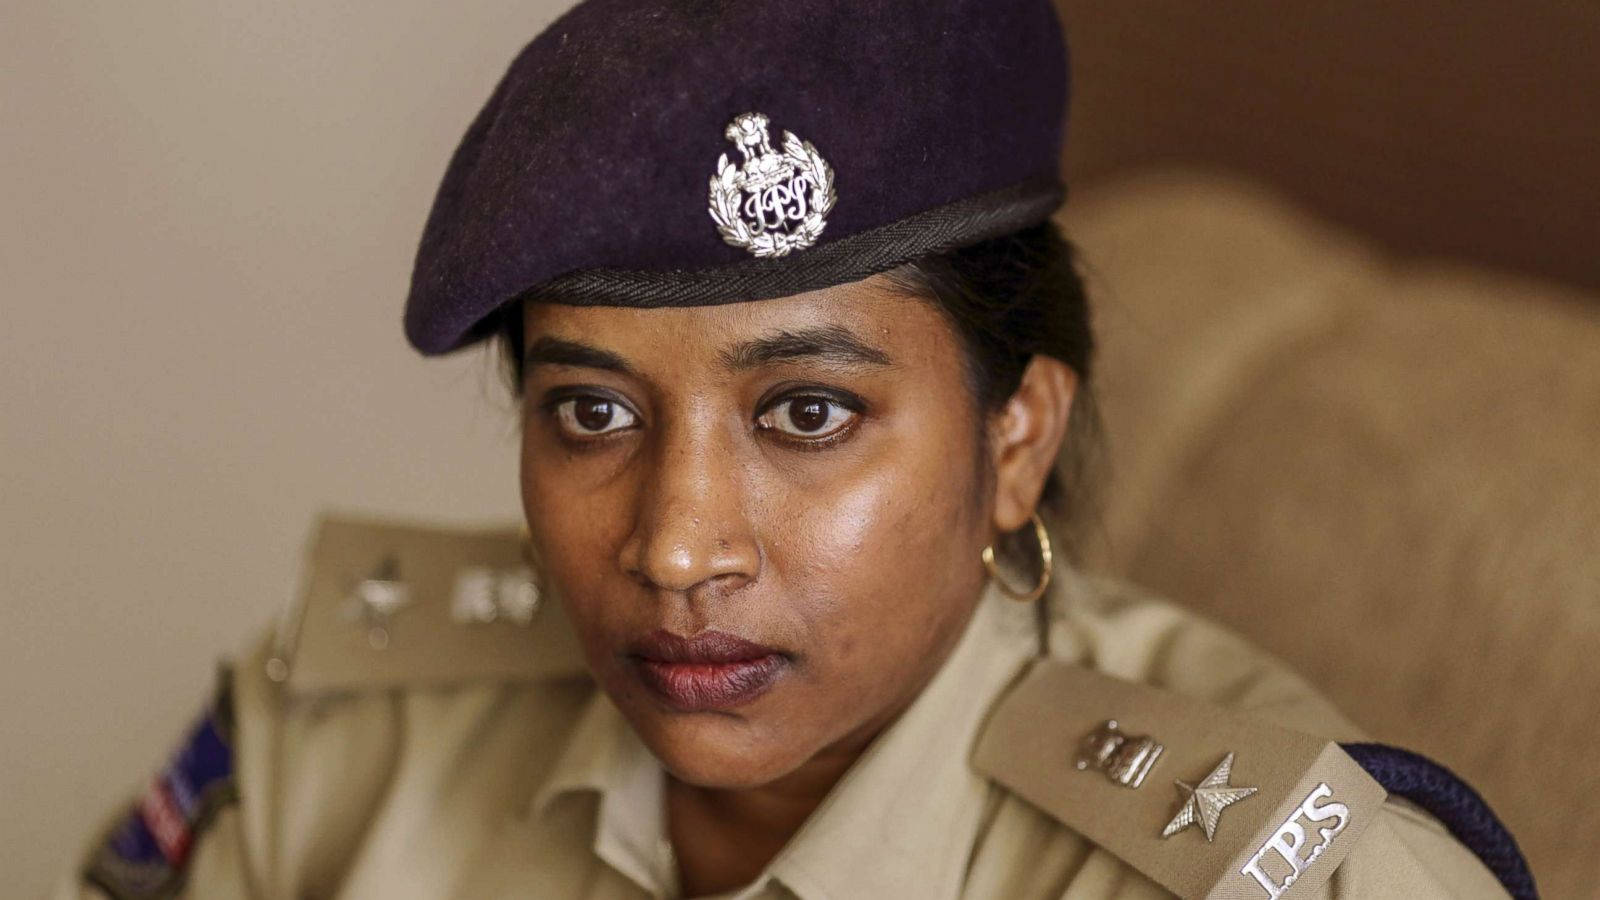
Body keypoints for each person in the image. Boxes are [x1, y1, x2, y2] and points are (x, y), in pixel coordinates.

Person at [60, 1, 1534, 898]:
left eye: (808, 414)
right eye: (593, 411)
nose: (676, 545)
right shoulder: (344, 741)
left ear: (1014, 440)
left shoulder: (1288, 875)